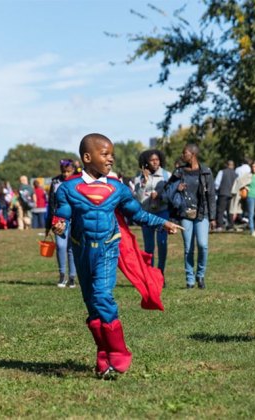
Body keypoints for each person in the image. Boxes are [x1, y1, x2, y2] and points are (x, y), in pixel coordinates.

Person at [52, 133, 182, 377]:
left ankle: (119, 352)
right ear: (87, 157)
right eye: (105, 154)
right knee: (92, 307)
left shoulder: (118, 189)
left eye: (112, 154)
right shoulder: (67, 188)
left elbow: (138, 214)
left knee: (102, 296)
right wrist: (59, 224)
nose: (110, 158)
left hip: (109, 248)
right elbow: (63, 215)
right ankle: (103, 357)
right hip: (81, 250)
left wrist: (162, 223)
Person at [165, 143, 217, 289]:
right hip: (184, 214)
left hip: (202, 213)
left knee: (203, 245)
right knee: (188, 247)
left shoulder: (206, 172)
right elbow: (167, 190)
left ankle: (200, 275)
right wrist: (177, 187)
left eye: (185, 153)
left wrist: (212, 218)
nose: (183, 156)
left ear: (193, 154)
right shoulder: (179, 172)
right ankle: (190, 280)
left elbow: (212, 195)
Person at [134, 149, 172, 276]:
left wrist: (160, 196)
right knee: (149, 247)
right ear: (146, 162)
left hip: (162, 212)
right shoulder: (139, 178)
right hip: (147, 214)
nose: (155, 162)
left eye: (157, 159)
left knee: (162, 243)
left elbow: (171, 195)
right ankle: (150, 275)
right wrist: (144, 182)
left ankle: (160, 272)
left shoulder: (167, 176)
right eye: (152, 160)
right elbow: (139, 198)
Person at [46, 159, 78, 288]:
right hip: (59, 219)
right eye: (63, 171)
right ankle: (62, 274)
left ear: (73, 171)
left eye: (68, 171)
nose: (65, 174)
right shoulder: (55, 182)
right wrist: (48, 225)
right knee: (60, 246)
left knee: (72, 248)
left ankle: (72, 277)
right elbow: (51, 202)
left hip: (75, 219)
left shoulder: (78, 181)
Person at [214, 160, 238, 231]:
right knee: (230, 211)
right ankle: (231, 225)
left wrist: (217, 190)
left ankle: (219, 226)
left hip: (223, 193)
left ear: (226, 165)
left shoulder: (222, 172)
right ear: (233, 166)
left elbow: (216, 183)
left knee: (220, 210)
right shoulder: (236, 174)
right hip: (232, 194)